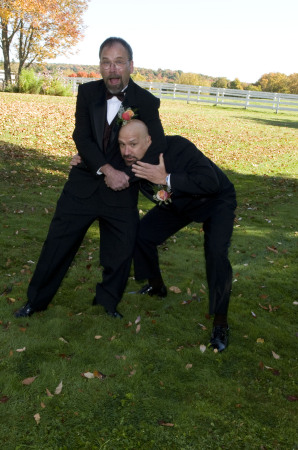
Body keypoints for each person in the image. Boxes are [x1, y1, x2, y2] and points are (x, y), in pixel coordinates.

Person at [14, 37, 166, 320]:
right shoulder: (86, 94)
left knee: (119, 253)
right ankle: (35, 301)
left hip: (122, 190)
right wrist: (106, 169)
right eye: (106, 62)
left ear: (130, 65)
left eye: (119, 62)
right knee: (56, 245)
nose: (112, 69)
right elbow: (81, 137)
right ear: (100, 65)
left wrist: (126, 178)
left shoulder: (146, 102)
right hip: (83, 184)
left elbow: (155, 147)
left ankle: (107, 303)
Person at [118, 120, 237, 352]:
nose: (126, 151)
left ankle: (221, 322)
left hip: (216, 200)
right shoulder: (128, 157)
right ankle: (156, 286)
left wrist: (166, 178)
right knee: (141, 234)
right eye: (122, 145)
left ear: (148, 140)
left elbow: (210, 182)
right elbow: (106, 164)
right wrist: (84, 161)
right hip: (179, 204)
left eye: (132, 144)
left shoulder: (178, 147)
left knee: (216, 254)